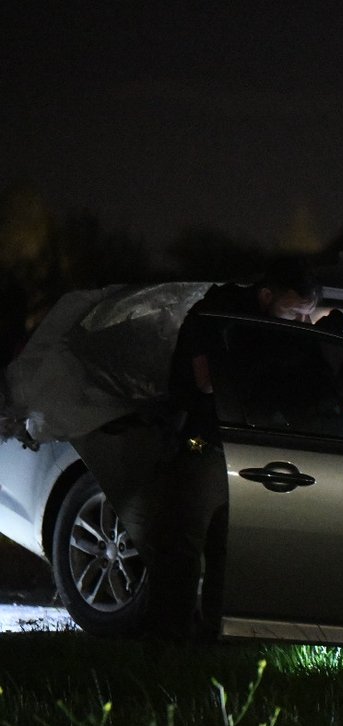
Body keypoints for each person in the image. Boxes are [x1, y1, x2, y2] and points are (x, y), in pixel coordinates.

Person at [72, 256, 326, 643]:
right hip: (202, 446)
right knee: (182, 551)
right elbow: (207, 383)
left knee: (227, 551)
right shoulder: (217, 319)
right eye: (294, 314)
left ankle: (213, 636)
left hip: (246, 452)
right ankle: (170, 640)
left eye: (308, 316)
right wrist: (273, 357)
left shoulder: (272, 328)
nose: (301, 325)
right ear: (266, 295)